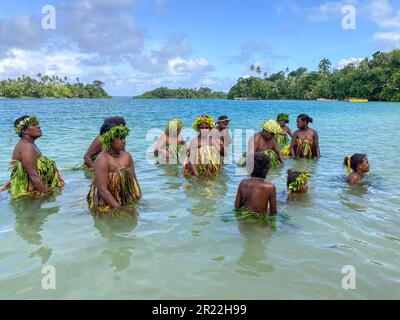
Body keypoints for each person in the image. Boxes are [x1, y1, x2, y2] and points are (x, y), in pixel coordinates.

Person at [87, 122, 142, 213]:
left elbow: (134, 180)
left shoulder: (127, 156)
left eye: (124, 138)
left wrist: (139, 198)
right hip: (106, 203)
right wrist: (119, 208)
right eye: (120, 138)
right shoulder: (102, 159)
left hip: (125, 199)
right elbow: (102, 190)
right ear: (110, 140)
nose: (124, 141)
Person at [6, 116, 64, 199]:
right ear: (24, 131)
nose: (38, 126)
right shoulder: (27, 147)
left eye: (38, 124)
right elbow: (33, 175)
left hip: (32, 190)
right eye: (34, 125)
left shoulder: (29, 144)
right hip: (28, 191)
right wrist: (47, 194)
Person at [235, 152, 277, 217]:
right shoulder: (270, 187)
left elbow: (237, 206)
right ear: (266, 170)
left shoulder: (243, 183)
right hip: (261, 223)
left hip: (244, 221)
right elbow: (273, 211)